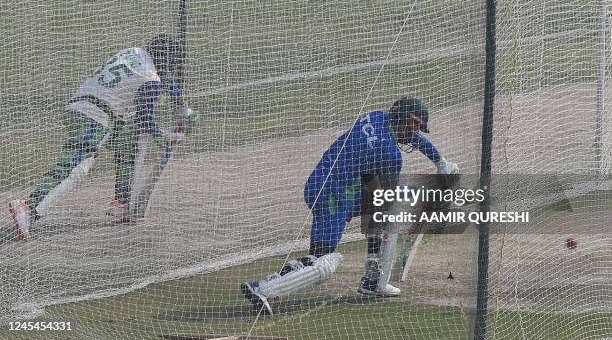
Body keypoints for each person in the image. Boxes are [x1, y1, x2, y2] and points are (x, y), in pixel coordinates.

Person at [241, 97, 458, 315]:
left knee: (375, 205)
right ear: (400, 118)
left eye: (416, 127)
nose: (413, 133)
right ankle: (262, 288)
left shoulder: (377, 117)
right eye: (412, 125)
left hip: (322, 183)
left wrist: (440, 161)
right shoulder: (390, 154)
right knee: (322, 262)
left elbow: (413, 140)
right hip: (334, 198)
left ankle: (373, 279)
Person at [9, 34, 198, 241]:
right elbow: (146, 120)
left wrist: (181, 104)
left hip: (85, 109)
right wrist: (165, 137)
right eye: (170, 64)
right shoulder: (150, 77)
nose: (170, 70)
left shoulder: (134, 53)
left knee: (128, 145)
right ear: (165, 60)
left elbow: (165, 81)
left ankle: (122, 204)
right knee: (76, 168)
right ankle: (29, 208)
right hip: (94, 118)